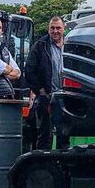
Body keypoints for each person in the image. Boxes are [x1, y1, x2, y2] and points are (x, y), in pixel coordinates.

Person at [26, 15, 66, 150]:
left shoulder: (71, 45)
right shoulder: (40, 46)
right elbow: (29, 71)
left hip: (67, 96)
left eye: (58, 28)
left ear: (64, 29)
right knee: (45, 134)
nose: (55, 31)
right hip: (47, 96)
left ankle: (64, 164)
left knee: (65, 132)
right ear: (48, 29)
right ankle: (43, 166)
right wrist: (40, 91)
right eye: (52, 28)